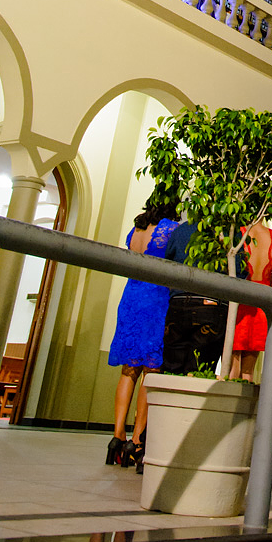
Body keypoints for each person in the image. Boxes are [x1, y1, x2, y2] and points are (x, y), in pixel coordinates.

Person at [106, 198, 179, 467]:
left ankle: (116, 436)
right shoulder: (169, 229)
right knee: (151, 370)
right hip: (156, 298)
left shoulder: (136, 228)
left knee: (128, 370)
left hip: (131, 296)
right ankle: (136, 441)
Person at [161, 220, 240, 376]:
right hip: (212, 304)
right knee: (199, 371)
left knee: (171, 370)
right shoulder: (229, 233)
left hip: (178, 303)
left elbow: (167, 264)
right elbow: (238, 272)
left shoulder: (181, 230)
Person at [230, 220, 272, 381]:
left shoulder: (239, 234)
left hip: (239, 301)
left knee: (232, 367)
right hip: (261, 305)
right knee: (248, 371)